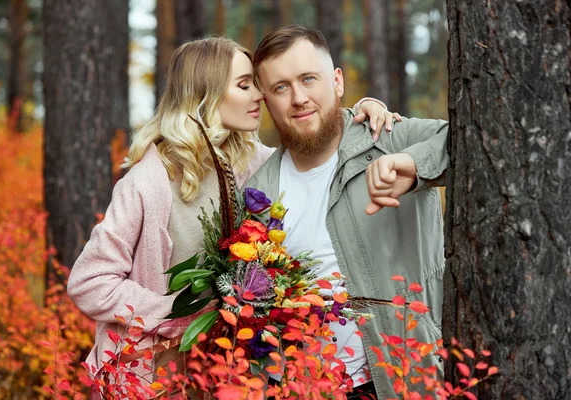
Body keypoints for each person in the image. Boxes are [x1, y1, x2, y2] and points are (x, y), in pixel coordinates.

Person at [66, 36, 397, 391]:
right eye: (245, 85)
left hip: (221, 372)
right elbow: (89, 281)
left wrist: (364, 110)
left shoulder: (254, 160)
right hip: (148, 372)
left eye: (256, 83)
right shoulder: (150, 181)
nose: (260, 95)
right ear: (206, 96)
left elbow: (316, 138)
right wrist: (179, 315)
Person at [247, 25, 448, 400]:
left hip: (404, 377)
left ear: (337, 81)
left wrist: (412, 165)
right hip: (306, 388)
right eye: (280, 87)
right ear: (267, 101)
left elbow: (465, 138)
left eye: (309, 79)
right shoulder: (258, 192)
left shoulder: (388, 137)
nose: (299, 98)